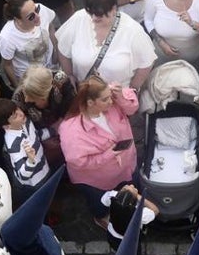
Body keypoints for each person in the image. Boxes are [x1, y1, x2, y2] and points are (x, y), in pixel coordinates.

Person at [58, 76, 139, 227]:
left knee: (130, 189)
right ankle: (101, 217)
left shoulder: (113, 101)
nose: (111, 101)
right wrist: (108, 154)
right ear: (90, 103)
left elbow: (132, 107)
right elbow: (78, 162)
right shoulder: (72, 130)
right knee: (100, 203)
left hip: (127, 166)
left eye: (110, 97)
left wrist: (120, 96)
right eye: (105, 99)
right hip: (98, 180)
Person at [56, 0, 156, 90]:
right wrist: (69, 75)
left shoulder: (133, 31)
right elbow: (63, 48)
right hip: (83, 94)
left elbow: (146, 63)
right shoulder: (79, 18)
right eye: (90, 12)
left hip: (115, 99)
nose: (93, 18)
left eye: (99, 14)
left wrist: (131, 90)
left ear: (113, 9)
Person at [0, 98, 51, 201]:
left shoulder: (25, 122)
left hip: (44, 169)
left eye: (17, 109)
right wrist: (30, 160)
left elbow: (36, 136)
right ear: (6, 126)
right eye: (15, 116)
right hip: (34, 182)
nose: (20, 113)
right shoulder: (14, 145)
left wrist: (55, 130)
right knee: (41, 201)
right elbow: (23, 175)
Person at [0, 0, 58, 88]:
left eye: (36, 9)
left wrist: (56, 52)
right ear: (17, 19)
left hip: (51, 66)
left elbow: (51, 26)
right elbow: (7, 65)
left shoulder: (42, 9)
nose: (38, 16)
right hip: (31, 78)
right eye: (31, 17)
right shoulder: (7, 36)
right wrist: (17, 87)